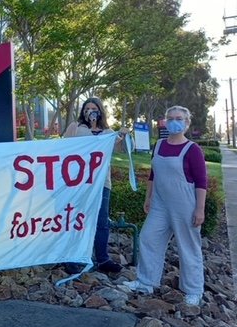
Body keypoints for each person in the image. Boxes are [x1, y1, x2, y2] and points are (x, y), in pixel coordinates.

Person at [123, 105, 206, 306]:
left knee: (188, 247)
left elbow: (202, 181)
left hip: (185, 205)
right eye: (171, 118)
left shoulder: (192, 150)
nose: (174, 122)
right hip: (160, 204)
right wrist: (148, 197)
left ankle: (194, 290)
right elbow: (153, 174)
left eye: (179, 118)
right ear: (165, 122)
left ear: (186, 123)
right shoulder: (159, 145)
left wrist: (200, 209)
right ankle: (146, 281)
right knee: (148, 238)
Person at [63, 97, 127, 274]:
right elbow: (61, 149)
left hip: (101, 182)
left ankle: (102, 258)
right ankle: (72, 258)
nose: (90, 111)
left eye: (94, 108)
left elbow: (122, 150)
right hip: (78, 181)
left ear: (100, 111)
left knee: (101, 221)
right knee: (76, 219)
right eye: (87, 108)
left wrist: (124, 136)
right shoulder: (75, 128)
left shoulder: (108, 132)